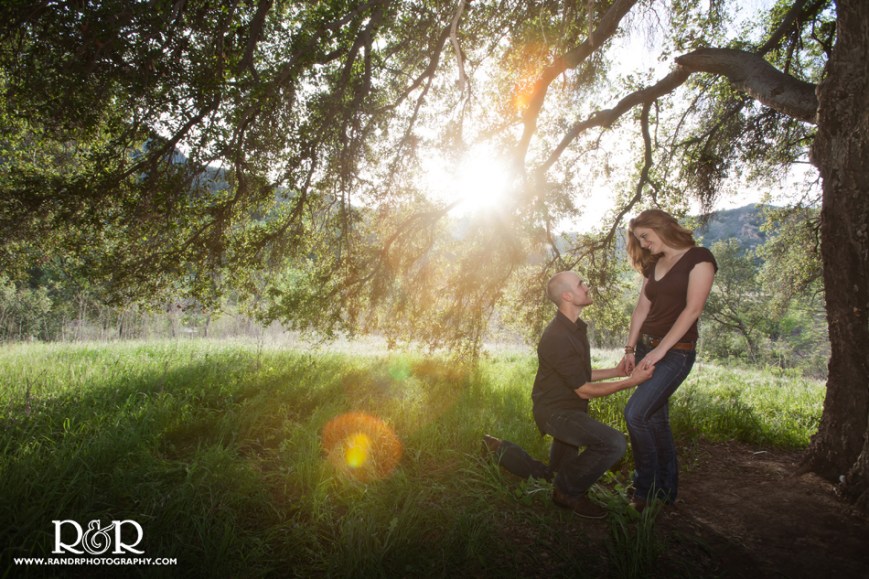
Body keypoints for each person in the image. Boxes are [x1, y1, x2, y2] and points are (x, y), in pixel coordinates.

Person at [483, 271, 654, 518]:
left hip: (570, 409)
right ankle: (566, 493)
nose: (586, 286)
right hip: (555, 413)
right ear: (567, 295)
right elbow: (584, 390)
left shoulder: (575, 328)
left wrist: (617, 371)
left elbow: (581, 375)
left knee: (553, 473)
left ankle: (498, 449)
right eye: (580, 283)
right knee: (614, 443)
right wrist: (631, 382)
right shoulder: (557, 336)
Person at [621, 209, 717, 510]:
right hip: (646, 348)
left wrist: (659, 351)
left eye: (645, 237)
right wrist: (629, 349)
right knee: (656, 420)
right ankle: (666, 492)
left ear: (660, 227)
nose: (644, 244)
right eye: (640, 240)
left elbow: (692, 310)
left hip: (676, 352)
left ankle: (644, 489)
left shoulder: (699, 258)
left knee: (635, 414)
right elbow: (641, 309)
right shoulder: (655, 264)